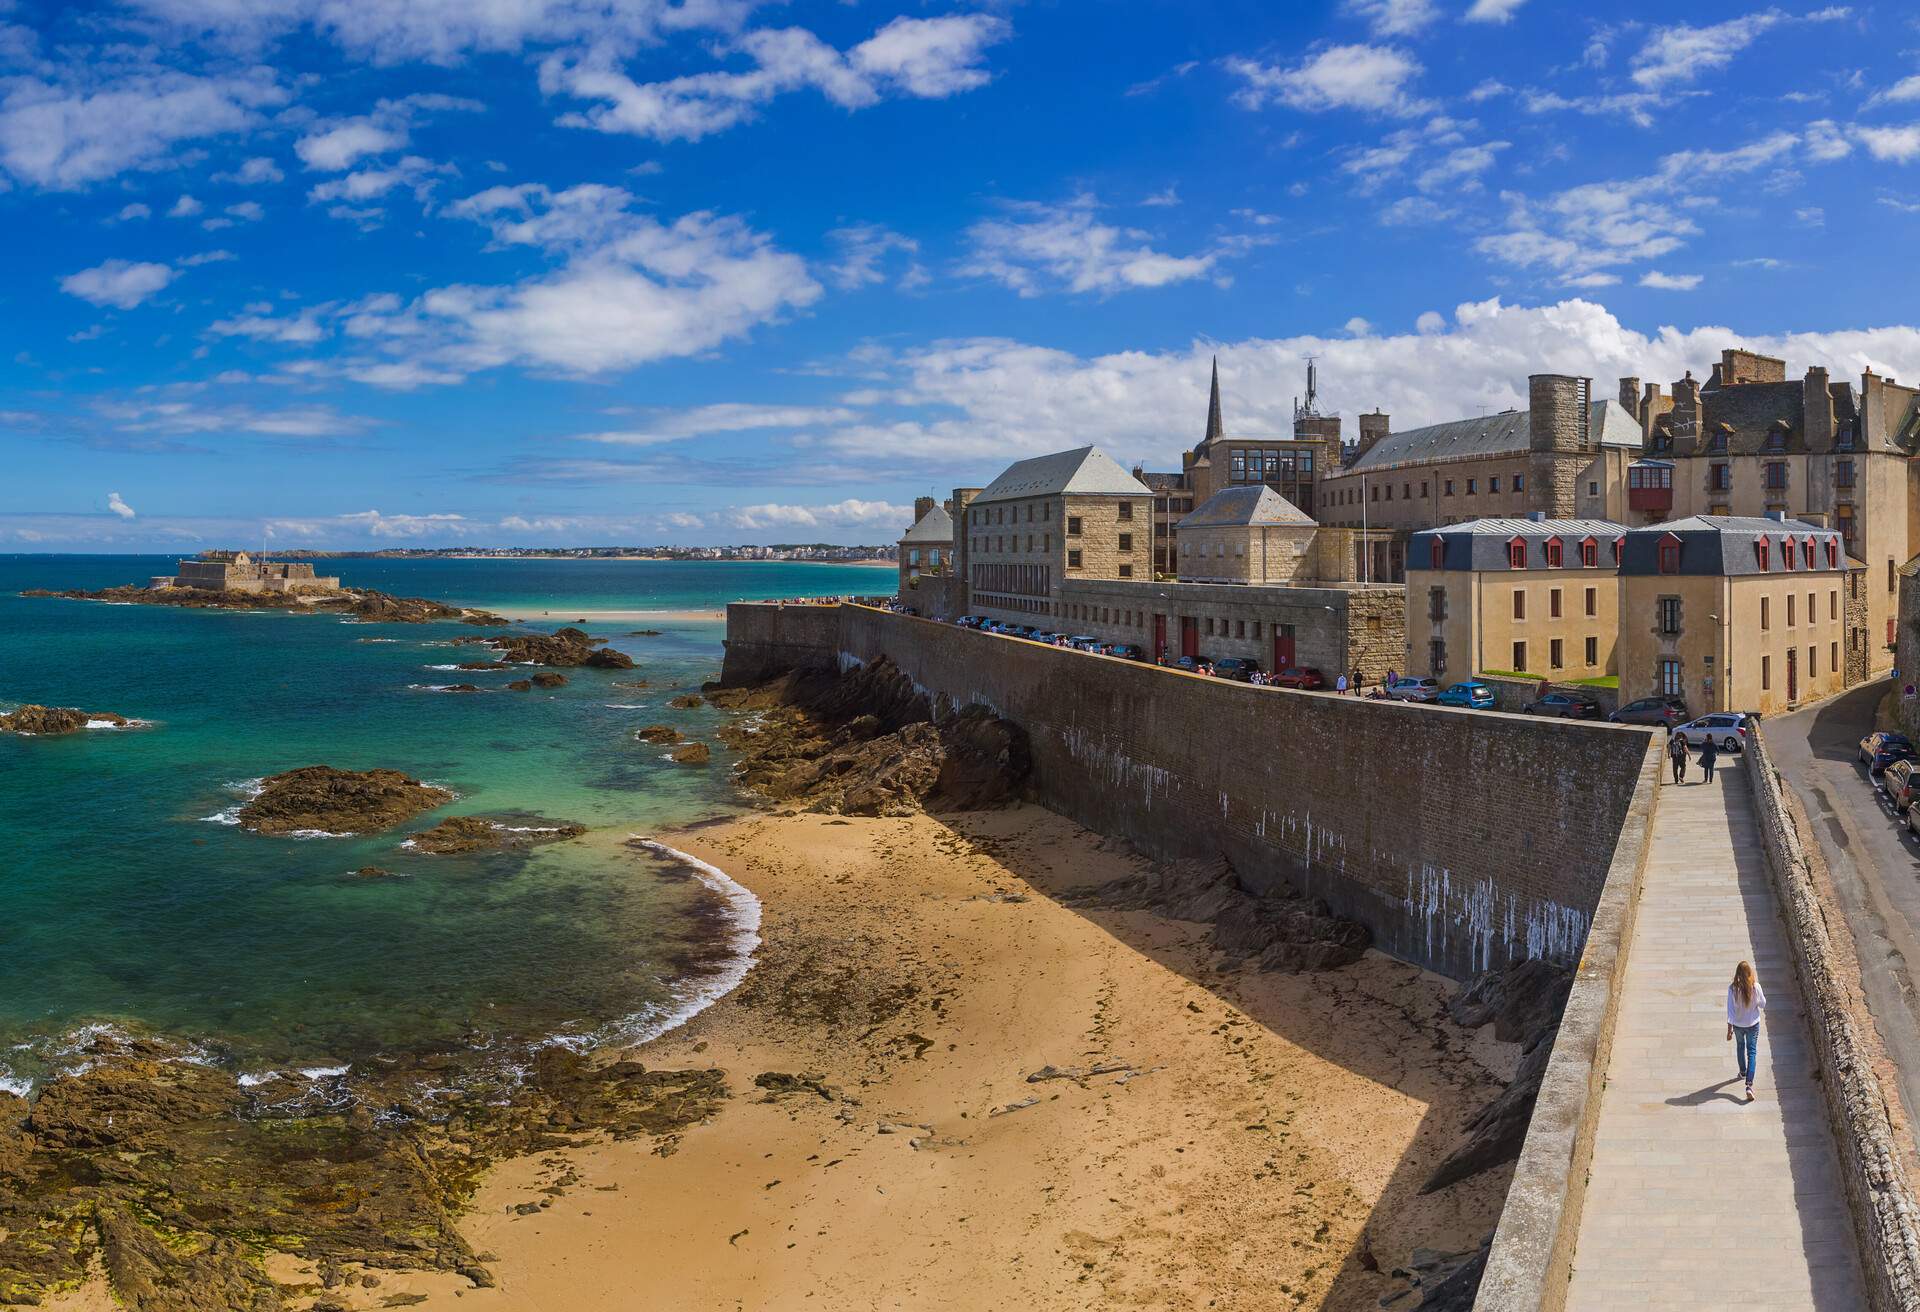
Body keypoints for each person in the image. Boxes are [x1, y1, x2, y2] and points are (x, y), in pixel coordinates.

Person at [1727, 960, 1766, 1101]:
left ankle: (1742, 1072)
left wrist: (1729, 1029)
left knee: (1740, 1047)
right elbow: (1763, 1004)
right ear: (1750, 973)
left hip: (1738, 1025)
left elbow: (1730, 1011)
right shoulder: (1755, 987)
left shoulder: (1732, 989)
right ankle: (1749, 1085)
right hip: (1753, 1024)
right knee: (1752, 1052)